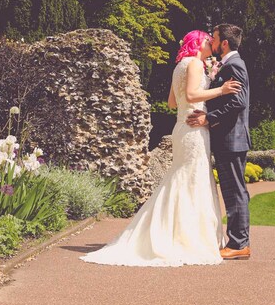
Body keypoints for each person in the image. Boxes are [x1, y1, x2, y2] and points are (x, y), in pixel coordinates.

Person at [80, 30, 241, 266]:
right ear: (198, 43)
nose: (210, 44)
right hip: (194, 128)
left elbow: (172, 102)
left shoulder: (180, 66)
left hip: (181, 126)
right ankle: (186, 238)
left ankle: (167, 232)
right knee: (192, 179)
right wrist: (221, 90)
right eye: (207, 40)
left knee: (181, 177)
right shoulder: (195, 63)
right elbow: (192, 94)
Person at [187, 23, 252, 260]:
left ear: (224, 42)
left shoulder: (235, 65)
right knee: (232, 192)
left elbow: (239, 102)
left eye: (214, 38)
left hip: (232, 139)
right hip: (226, 139)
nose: (211, 42)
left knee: (236, 193)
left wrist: (208, 118)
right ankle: (236, 241)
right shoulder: (228, 65)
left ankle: (239, 244)